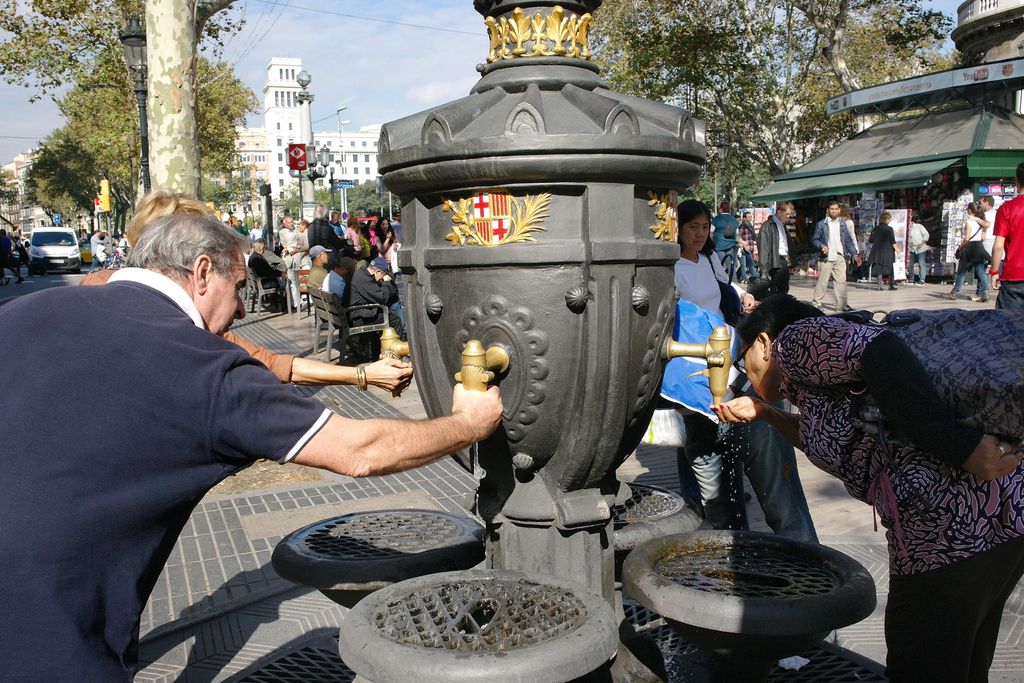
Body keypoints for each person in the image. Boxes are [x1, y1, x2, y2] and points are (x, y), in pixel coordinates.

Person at [0, 212, 503, 680]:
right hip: (47, 632)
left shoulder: (26, 310)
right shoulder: (203, 367)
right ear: (201, 272)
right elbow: (361, 449)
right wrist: (466, 423)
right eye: (238, 288)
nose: (243, 308)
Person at [713, 294, 1024, 682]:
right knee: (962, 663)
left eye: (742, 358)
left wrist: (958, 446)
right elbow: (824, 435)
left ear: (761, 344)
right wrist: (767, 413)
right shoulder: (812, 386)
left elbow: (878, 349)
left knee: (922, 665)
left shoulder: (792, 342)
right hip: (997, 519)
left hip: (948, 532)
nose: (743, 371)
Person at [82, 191, 412, 393]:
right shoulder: (104, 299)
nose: (241, 311)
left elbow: (273, 363)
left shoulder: (91, 293)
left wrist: (361, 375)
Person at [671, 199, 815, 540]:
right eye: (693, 226)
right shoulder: (671, 266)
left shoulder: (708, 260)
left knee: (736, 446)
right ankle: (734, 535)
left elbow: (726, 289)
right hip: (699, 365)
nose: (700, 233)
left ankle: (780, 540)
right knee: (708, 449)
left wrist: (742, 304)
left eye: (704, 227)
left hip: (727, 351)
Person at [810, 200, 860, 311]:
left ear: (839, 210)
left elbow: (848, 241)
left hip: (839, 256)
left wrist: (854, 255)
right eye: (832, 209)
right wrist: (821, 246)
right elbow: (814, 239)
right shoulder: (821, 224)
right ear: (828, 210)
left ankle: (842, 305)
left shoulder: (842, 224)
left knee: (841, 282)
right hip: (826, 257)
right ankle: (816, 303)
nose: (834, 211)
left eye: (836, 209)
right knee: (823, 281)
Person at [990, 162, 1024, 310]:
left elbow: (998, 246)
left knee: (1009, 327)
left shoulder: (1006, 209)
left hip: (1014, 275)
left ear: (1017, 181)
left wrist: (994, 271)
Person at [349, 256, 404, 337]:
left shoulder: (361, 274)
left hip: (356, 312)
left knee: (387, 312)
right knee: (395, 321)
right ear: (378, 272)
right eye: (383, 276)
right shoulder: (364, 279)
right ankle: (397, 347)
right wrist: (386, 282)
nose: (381, 280)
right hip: (359, 317)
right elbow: (383, 298)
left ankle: (378, 348)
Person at [948, 203, 990, 302]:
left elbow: (967, 238)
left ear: (970, 210)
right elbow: (986, 228)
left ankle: (955, 292)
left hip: (969, 248)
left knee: (962, 272)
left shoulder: (969, 222)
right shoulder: (980, 222)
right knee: (981, 271)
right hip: (979, 246)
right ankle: (986, 291)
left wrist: (960, 248)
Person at [756, 200, 794, 294]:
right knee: (777, 290)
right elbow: (763, 247)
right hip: (775, 261)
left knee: (783, 289)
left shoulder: (782, 225)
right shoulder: (768, 226)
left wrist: (793, 262)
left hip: (783, 261)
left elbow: (787, 244)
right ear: (780, 212)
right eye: (787, 214)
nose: (788, 217)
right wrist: (764, 270)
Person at [867, 212, 898, 291]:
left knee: (879, 268)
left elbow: (870, 240)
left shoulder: (875, 229)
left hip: (877, 251)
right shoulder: (890, 229)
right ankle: (891, 285)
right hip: (888, 251)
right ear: (887, 219)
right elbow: (893, 241)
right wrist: (898, 250)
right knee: (890, 268)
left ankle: (879, 286)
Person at [710, 201, 739, 283]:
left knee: (719, 267)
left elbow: (711, 231)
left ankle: (720, 283)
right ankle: (734, 284)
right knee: (731, 266)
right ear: (729, 209)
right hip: (731, 246)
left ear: (721, 209)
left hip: (719, 246)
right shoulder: (733, 219)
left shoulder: (716, 219)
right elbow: (737, 233)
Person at [907, 211, 929, 286]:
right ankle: (911, 279)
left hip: (921, 247)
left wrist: (922, 242)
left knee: (921, 263)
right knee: (910, 264)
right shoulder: (906, 229)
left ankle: (922, 279)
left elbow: (926, 234)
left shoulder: (919, 226)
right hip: (911, 248)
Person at [736, 211, 756, 283]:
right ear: (744, 218)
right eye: (749, 217)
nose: (751, 218)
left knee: (744, 265)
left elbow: (752, 237)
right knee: (750, 264)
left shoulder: (750, 226)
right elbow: (738, 236)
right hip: (744, 248)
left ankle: (737, 276)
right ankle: (755, 278)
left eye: (751, 216)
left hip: (750, 247)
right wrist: (744, 244)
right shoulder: (743, 226)